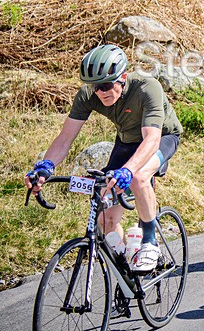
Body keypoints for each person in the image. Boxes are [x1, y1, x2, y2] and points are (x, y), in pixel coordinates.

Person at [24, 44, 182, 272]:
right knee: (105, 218)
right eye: (95, 86)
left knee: (138, 177)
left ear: (123, 77)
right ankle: (126, 266)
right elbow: (65, 138)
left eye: (106, 85)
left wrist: (128, 171)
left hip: (162, 137)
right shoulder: (89, 95)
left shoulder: (147, 88)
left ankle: (150, 242)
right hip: (126, 142)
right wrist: (44, 167)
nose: (100, 92)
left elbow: (151, 139)